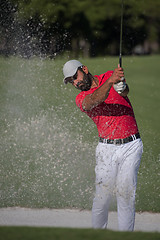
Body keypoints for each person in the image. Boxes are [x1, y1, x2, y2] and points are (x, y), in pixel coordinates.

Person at [62, 59, 143, 231]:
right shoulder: (81, 98)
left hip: (131, 146)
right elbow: (94, 100)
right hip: (107, 150)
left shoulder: (109, 76)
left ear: (84, 69)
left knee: (126, 195)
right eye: (71, 81)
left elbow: (125, 91)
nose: (76, 83)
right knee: (102, 198)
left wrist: (122, 86)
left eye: (75, 77)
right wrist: (110, 82)